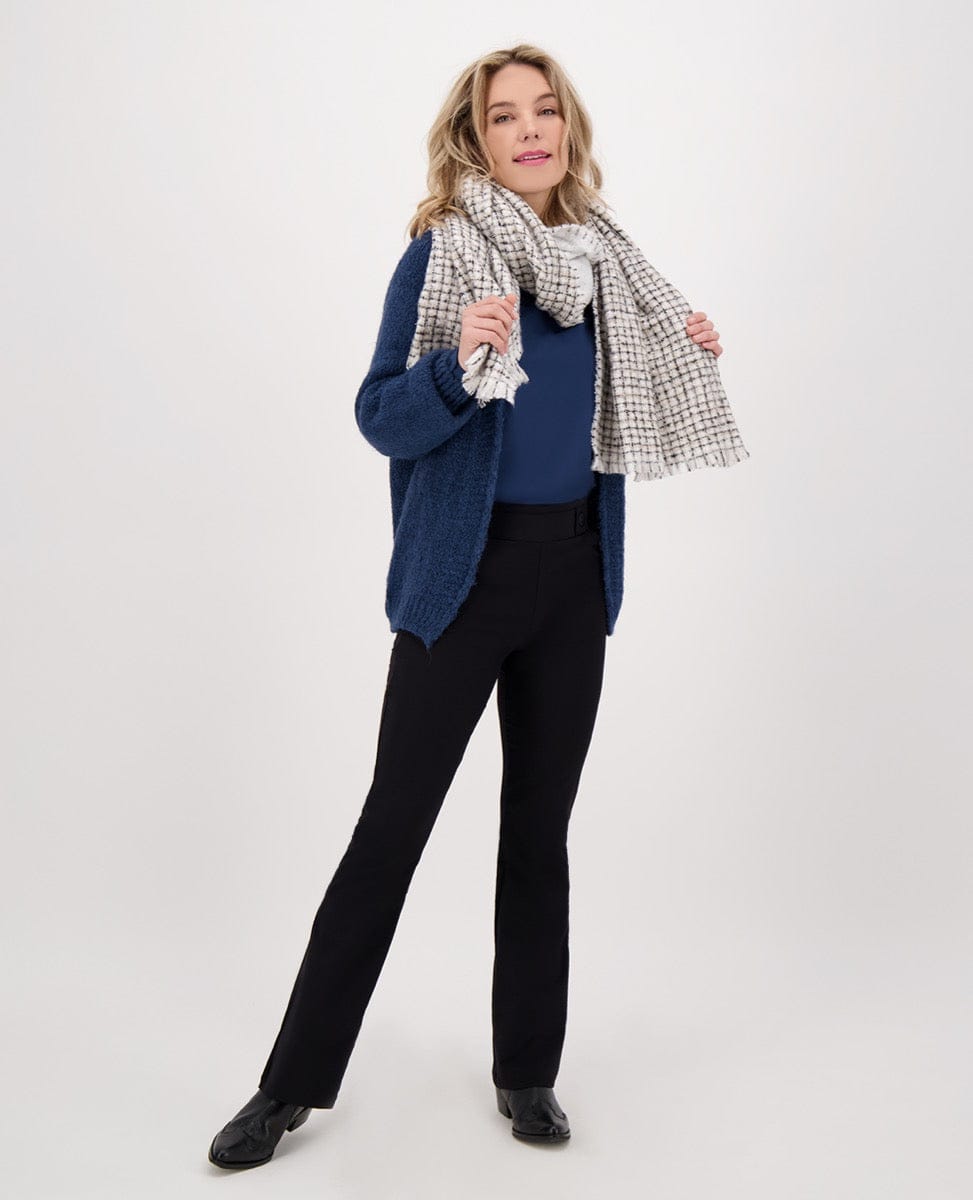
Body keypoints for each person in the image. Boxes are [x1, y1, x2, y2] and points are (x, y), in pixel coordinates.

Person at [208, 42, 744, 1171]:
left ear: (567, 128)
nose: (530, 130)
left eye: (545, 111)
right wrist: (455, 368)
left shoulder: (606, 262)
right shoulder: (443, 254)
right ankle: (288, 1087)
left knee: (538, 836)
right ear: (477, 138)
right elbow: (379, 417)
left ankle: (526, 1072)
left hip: (573, 578)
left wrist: (686, 351)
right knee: (390, 831)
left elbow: (623, 400)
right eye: (505, 116)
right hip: (463, 582)